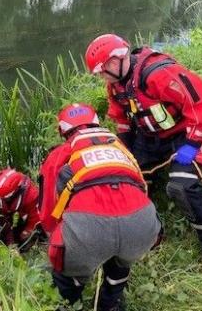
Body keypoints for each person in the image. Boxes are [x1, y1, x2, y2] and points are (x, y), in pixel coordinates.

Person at [84, 34, 202, 274]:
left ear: (114, 62)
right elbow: (121, 119)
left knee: (182, 187)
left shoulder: (158, 74)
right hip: (149, 137)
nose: (101, 77)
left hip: (183, 134)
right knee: (131, 182)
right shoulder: (116, 85)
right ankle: (152, 231)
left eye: (102, 72)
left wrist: (192, 144)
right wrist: (126, 153)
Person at [39, 103, 161, 311]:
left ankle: (69, 300)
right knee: (122, 258)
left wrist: (59, 240)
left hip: (89, 231)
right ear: (97, 123)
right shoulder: (120, 148)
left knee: (66, 273)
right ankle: (111, 303)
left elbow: (49, 212)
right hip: (142, 225)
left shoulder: (60, 155)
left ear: (62, 131)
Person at [0, 168, 42, 250]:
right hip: (1, 212)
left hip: (19, 210)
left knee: (26, 237)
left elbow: (35, 217)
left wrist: (26, 231)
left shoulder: (31, 196)